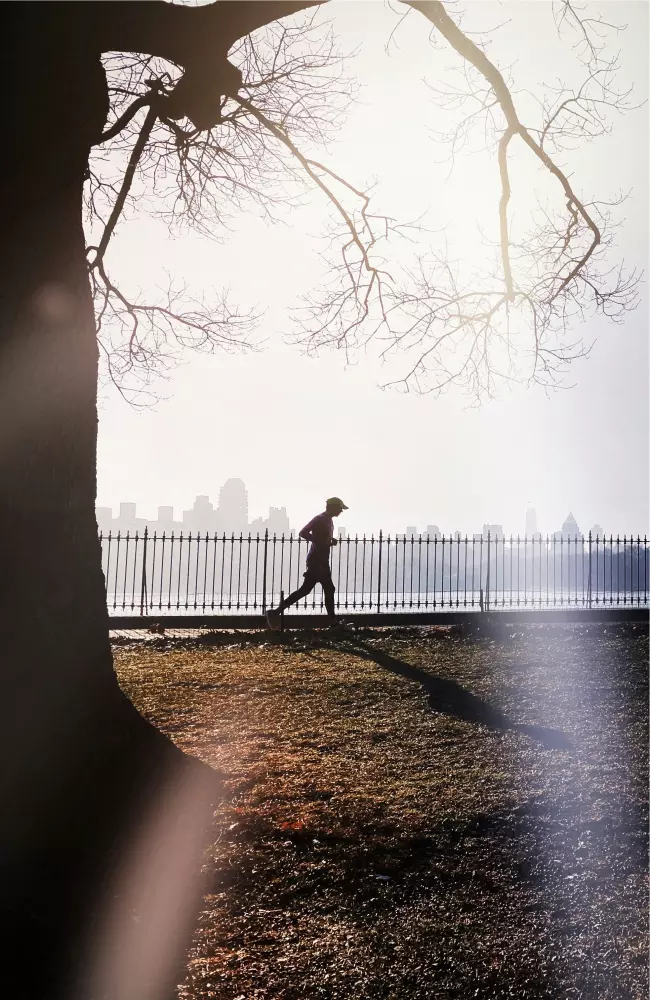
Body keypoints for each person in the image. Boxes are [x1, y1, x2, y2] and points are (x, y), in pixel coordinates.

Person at [266, 497, 348, 629]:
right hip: (316, 560)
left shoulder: (328, 521)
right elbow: (303, 532)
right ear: (332, 507)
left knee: (321, 589)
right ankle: (275, 612)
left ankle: (333, 621)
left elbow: (322, 538)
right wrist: (319, 541)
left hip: (322, 560)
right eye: (339, 508)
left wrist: (329, 540)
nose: (341, 511)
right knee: (311, 589)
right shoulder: (320, 519)